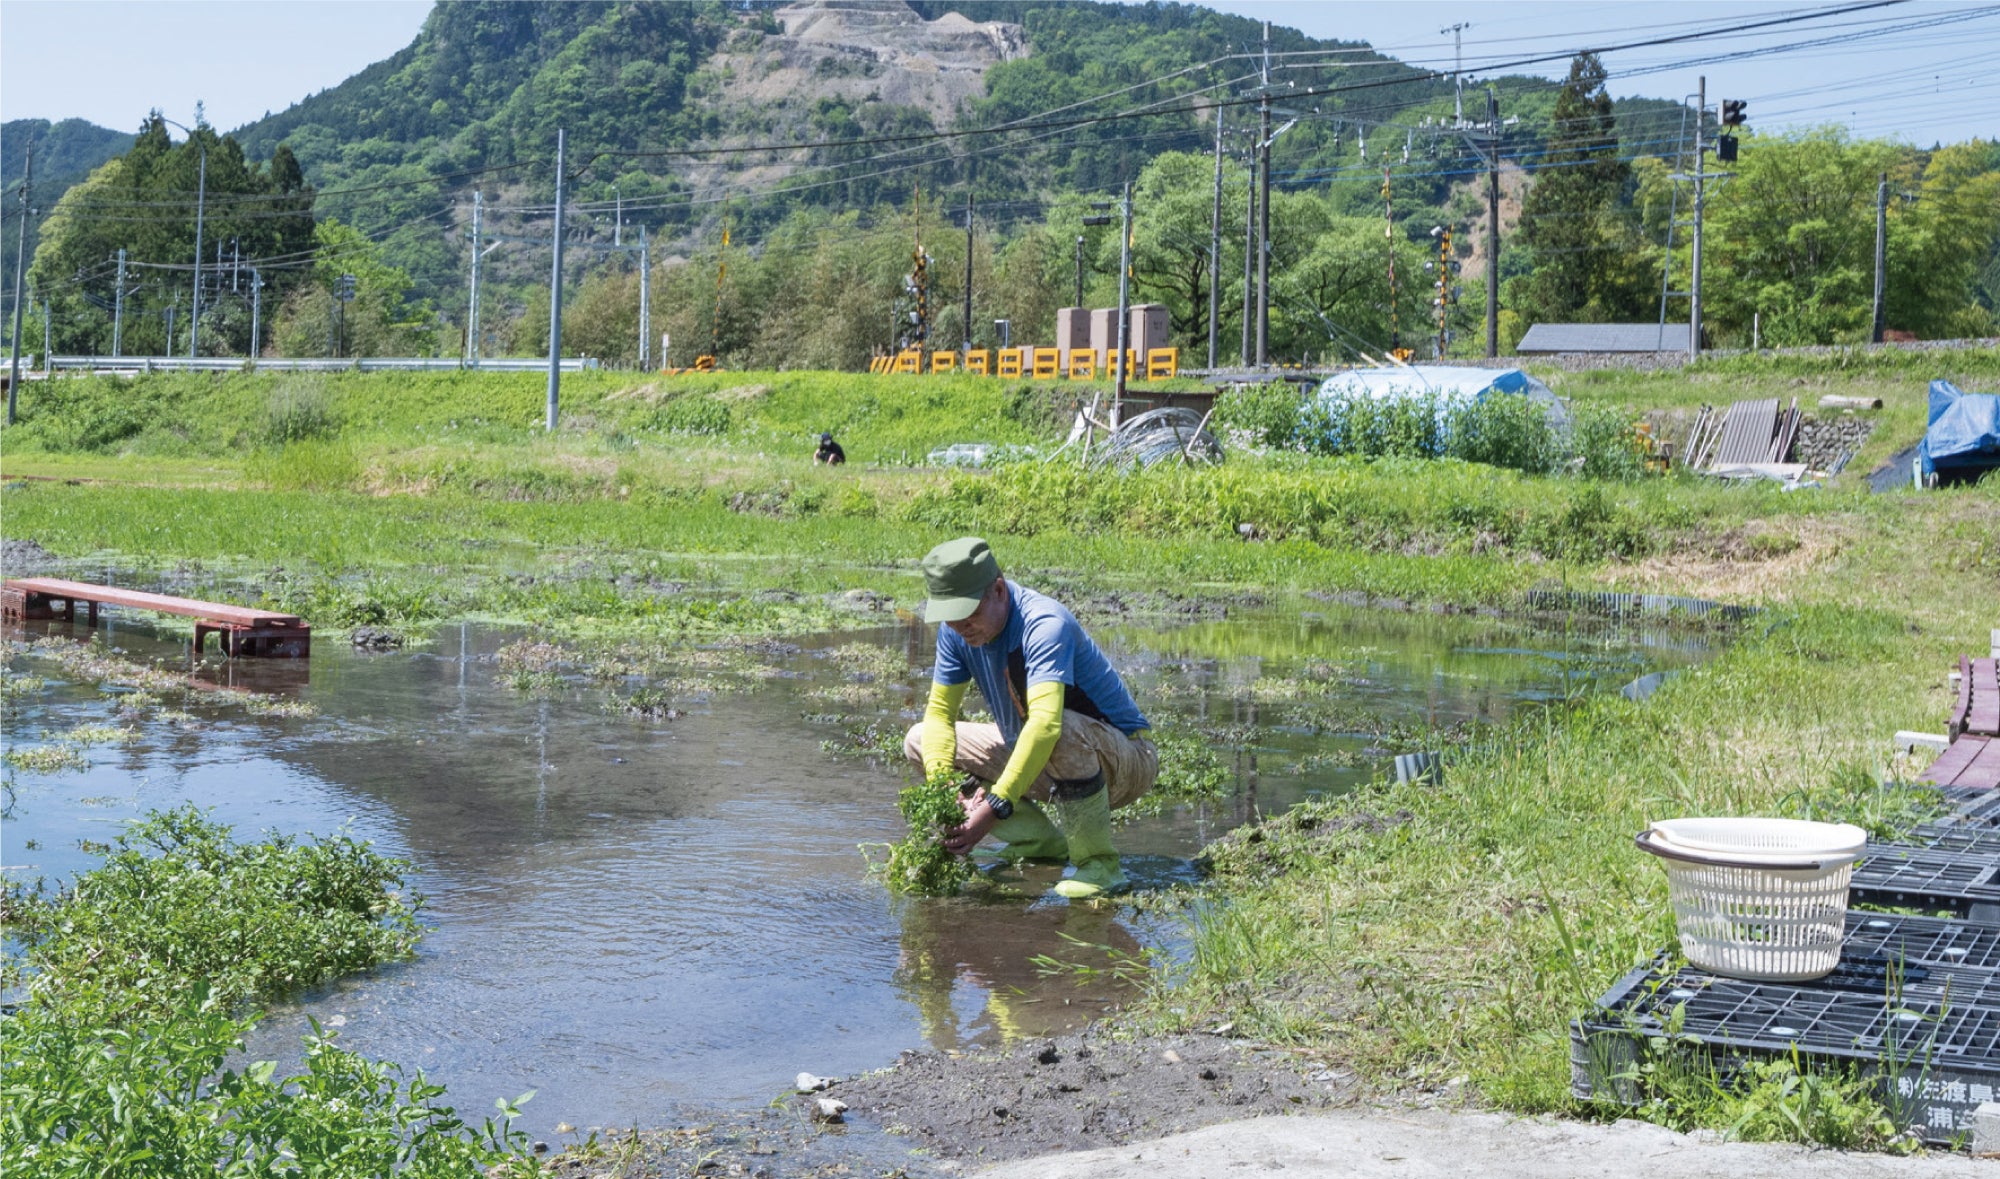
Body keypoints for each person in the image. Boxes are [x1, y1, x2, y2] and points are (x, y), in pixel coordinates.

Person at [904, 537, 1158, 899]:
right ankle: (1039, 844)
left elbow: (1045, 725)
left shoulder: (1043, 624)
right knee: (919, 739)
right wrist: (945, 789)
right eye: (951, 615)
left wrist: (995, 806)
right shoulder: (955, 633)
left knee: (1059, 728)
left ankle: (1100, 864)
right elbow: (941, 715)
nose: (961, 626)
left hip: (1125, 762)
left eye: (969, 613)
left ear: (997, 590)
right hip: (1046, 759)